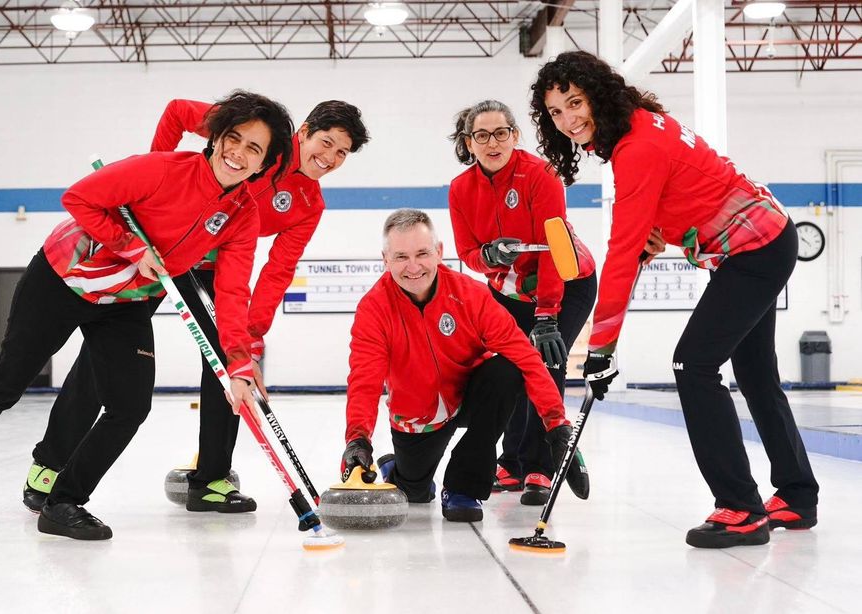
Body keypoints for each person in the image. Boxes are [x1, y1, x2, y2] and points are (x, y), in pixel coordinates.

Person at [0, 90, 295, 540]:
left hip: (126, 301)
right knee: (6, 385)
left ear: (264, 164)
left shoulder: (242, 216)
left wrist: (239, 363)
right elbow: (79, 198)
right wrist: (131, 245)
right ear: (215, 138)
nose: (239, 152)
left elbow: (230, 292)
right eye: (234, 137)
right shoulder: (161, 168)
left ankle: (64, 502)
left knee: (130, 405)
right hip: (65, 276)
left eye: (254, 148)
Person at [21, 99, 370, 515]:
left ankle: (210, 480)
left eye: (341, 154)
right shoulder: (256, 137)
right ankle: (50, 463)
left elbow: (278, 271)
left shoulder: (309, 204)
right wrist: (156, 175)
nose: (328, 158)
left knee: (226, 360)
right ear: (306, 130)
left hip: (215, 266)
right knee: (103, 352)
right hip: (161, 249)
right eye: (326, 143)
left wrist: (249, 340)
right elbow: (177, 112)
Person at [530, 50, 819, 548]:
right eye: (556, 112)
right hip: (764, 236)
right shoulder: (643, 125)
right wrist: (661, 229)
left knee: (693, 364)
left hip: (755, 247)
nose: (568, 119)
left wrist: (601, 348)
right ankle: (796, 495)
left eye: (575, 102)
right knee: (754, 373)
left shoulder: (635, 148)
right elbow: (690, 186)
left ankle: (740, 510)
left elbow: (621, 252)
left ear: (597, 95)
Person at [339, 208, 579, 523]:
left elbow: (524, 355)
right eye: (400, 257)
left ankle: (462, 487)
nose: (413, 267)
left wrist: (556, 425)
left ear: (439, 252)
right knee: (414, 493)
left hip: (471, 393)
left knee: (507, 371)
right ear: (385, 259)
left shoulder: (470, 296)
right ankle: (395, 468)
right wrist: (358, 438)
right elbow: (365, 379)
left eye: (422, 253)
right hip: (418, 412)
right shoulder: (374, 309)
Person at [446, 99, 597, 506]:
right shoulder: (461, 189)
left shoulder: (541, 175)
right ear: (469, 143)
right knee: (507, 368)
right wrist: (488, 257)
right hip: (509, 289)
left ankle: (539, 467)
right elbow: (468, 251)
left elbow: (552, 248)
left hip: (565, 282)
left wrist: (546, 316)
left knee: (544, 362)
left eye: (501, 133)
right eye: (482, 135)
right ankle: (510, 463)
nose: (492, 142)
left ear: (515, 135)